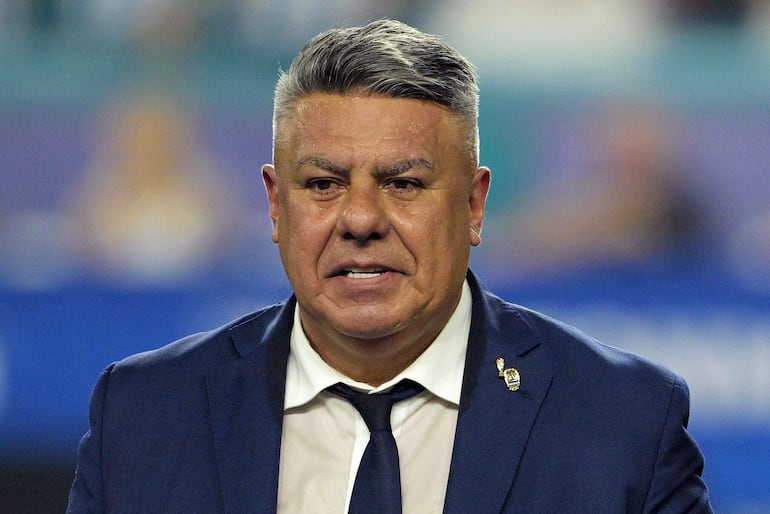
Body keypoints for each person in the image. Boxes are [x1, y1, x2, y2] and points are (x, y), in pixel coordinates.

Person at [67, 19, 713, 513]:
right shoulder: (144, 415)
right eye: (323, 184)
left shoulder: (625, 421)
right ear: (274, 204)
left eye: (403, 184)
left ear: (473, 204)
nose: (359, 219)